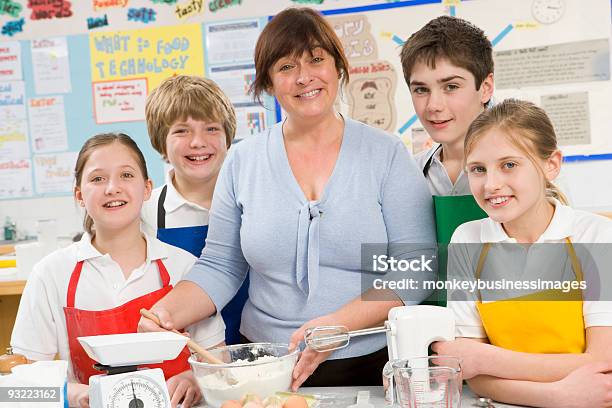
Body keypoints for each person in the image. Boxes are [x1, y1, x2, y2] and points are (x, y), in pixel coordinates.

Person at [139, 7, 436, 390]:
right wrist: (166, 311)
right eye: (285, 67)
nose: (303, 77)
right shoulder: (243, 161)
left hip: (371, 362)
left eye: (316, 59)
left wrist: (338, 324)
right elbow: (221, 265)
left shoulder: (387, 155)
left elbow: (417, 265)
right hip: (264, 364)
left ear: (338, 67)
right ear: (267, 83)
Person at [11, 133, 225, 408]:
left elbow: (219, 360)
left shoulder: (184, 267)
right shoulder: (51, 275)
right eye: (97, 179)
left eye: (126, 175)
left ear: (147, 189)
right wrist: (73, 394)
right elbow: (18, 387)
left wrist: (193, 379)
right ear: (79, 194)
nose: (112, 188)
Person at [434, 99, 612, 407]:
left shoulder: (595, 235)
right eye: (478, 169)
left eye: (509, 165)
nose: (491, 184)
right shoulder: (467, 240)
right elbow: (473, 376)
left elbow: (603, 363)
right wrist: (556, 396)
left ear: (551, 164)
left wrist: (485, 357)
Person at [141, 75, 248, 345]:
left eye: (211, 129)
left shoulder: (255, 204)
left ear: (228, 138)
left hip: (258, 352)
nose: (198, 142)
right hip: (180, 364)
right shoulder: (144, 213)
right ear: (160, 141)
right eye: (181, 131)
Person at [400, 15, 493, 244]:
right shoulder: (408, 175)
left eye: (451, 86)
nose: (433, 106)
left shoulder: (527, 167)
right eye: (421, 90)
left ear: (486, 88)